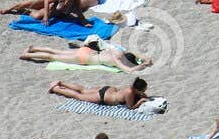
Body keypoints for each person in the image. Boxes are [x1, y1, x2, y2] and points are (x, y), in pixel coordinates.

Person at [19, 41, 150, 71]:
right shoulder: (117, 60)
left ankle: (34, 48)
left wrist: (145, 61)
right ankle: (27, 55)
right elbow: (130, 69)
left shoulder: (119, 51)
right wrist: (141, 66)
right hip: (86, 59)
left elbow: (135, 53)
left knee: (56, 51)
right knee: (53, 58)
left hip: (87, 51)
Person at [46, 76, 148, 109]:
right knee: (79, 96)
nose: (144, 92)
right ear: (137, 89)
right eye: (143, 90)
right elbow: (131, 107)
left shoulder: (131, 88)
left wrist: (141, 95)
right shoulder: (130, 92)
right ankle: (56, 89)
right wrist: (141, 101)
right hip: (103, 97)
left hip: (108, 89)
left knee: (83, 90)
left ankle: (61, 82)